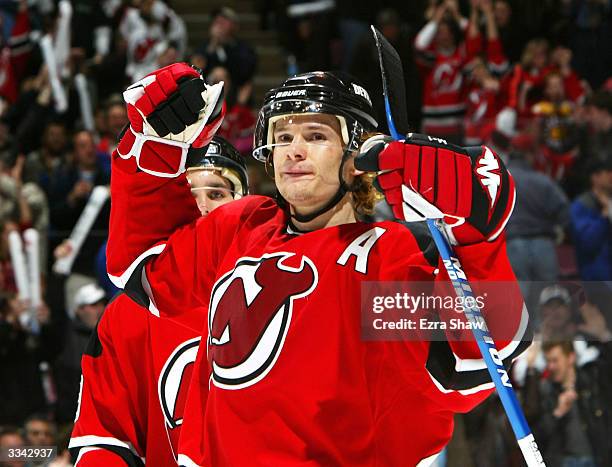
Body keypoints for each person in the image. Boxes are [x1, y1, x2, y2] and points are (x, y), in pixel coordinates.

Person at [103, 64, 529, 466]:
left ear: (358, 152)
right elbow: (143, 267)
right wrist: (152, 149)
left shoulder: (382, 257)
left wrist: (476, 242)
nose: (294, 151)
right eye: (283, 137)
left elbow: (466, 362)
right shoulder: (241, 227)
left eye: (315, 135)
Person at [69, 136, 248, 465]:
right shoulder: (127, 314)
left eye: (217, 193)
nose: (203, 207)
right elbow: (104, 439)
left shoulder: (284, 289)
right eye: (189, 193)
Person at [525, 340, 612, 467]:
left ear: (571, 358)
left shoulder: (591, 381)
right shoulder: (544, 389)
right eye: (547, 361)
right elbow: (536, 436)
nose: (551, 366)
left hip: (597, 458)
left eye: (555, 360)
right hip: (561, 461)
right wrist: (557, 413)